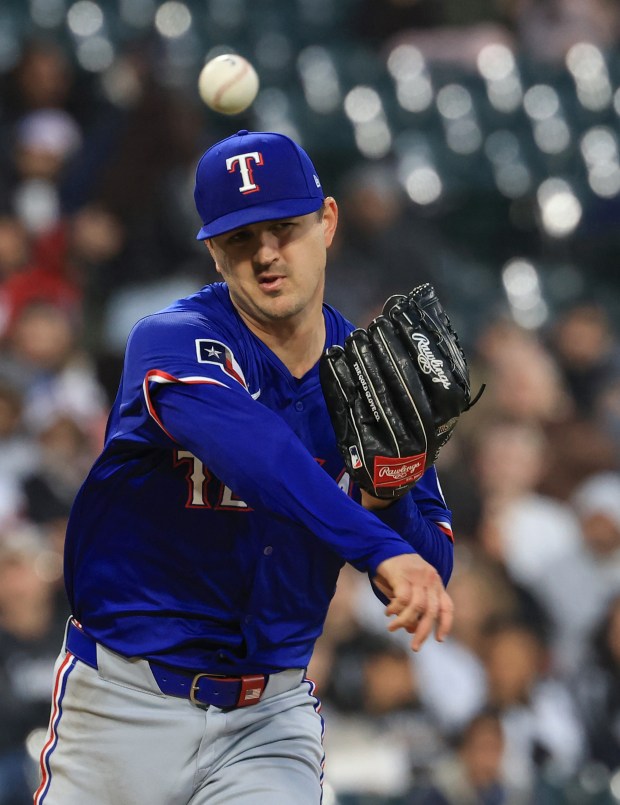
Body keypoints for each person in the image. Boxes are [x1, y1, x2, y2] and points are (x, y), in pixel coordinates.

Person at [35, 129, 455, 804]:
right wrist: (376, 543)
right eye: (240, 237)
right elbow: (260, 453)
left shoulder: (378, 377)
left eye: (284, 227)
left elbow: (427, 571)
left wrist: (393, 495)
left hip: (268, 718)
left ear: (328, 222)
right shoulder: (170, 339)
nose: (265, 253)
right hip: (123, 703)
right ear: (213, 252)